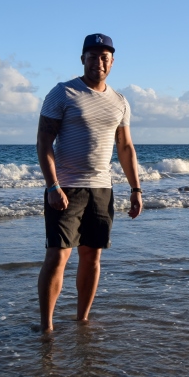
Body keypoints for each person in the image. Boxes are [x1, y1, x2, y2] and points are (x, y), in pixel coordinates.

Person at [35, 33, 142, 333]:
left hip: (102, 189)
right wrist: (52, 186)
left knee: (92, 257)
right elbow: (43, 142)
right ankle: (46, 327)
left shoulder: (120, 101)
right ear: (82, 59)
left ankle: (82, 320)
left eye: (105, 57)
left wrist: (135, 189)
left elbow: (125, 147)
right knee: (57, 256)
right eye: (93, 56)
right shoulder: (63, 93)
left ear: (112, 61)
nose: (99, 62)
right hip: (66, 188)